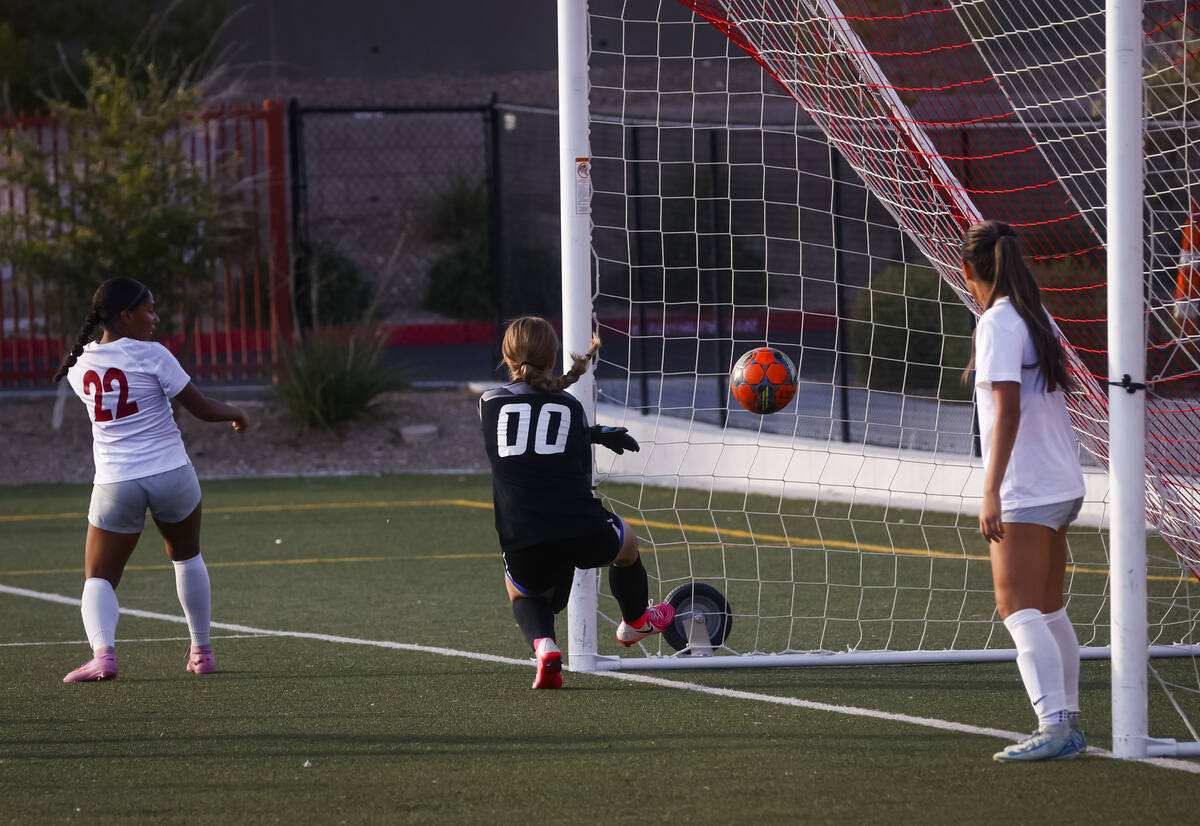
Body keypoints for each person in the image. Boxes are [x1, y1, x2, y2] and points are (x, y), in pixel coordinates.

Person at [55, 277, 249, 683]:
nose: (155, 317)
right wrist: (235, 412)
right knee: (187, 557)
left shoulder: (79, 365)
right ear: (126, 315)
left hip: (116, 483)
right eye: (149, 310)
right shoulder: (153, 355)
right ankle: (201, 651)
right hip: (171, 474)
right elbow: (199, 407)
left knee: (99, 578)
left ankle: (103, 656)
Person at [479, 316, 675, 689]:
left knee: (523, 591)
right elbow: (567, 457)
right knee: (627, 544)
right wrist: (596, 433)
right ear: (553, 357)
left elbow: (527, 432)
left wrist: (590, 435)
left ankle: (545, 646)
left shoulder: (489, 402)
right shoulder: (569, 406)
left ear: (506, 356)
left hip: (522, 532)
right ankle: (635, 622)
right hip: (578, 525)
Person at [961, 220, 1088, 762]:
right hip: (1062, 481)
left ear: (970, 271)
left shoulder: (996, 322)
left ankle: (1053, 725)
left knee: (1016, 608)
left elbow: (1009, 411)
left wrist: (991, 492)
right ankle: (1071, 724)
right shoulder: (1036, 317)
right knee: (1048, 609)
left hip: (1027, 486)